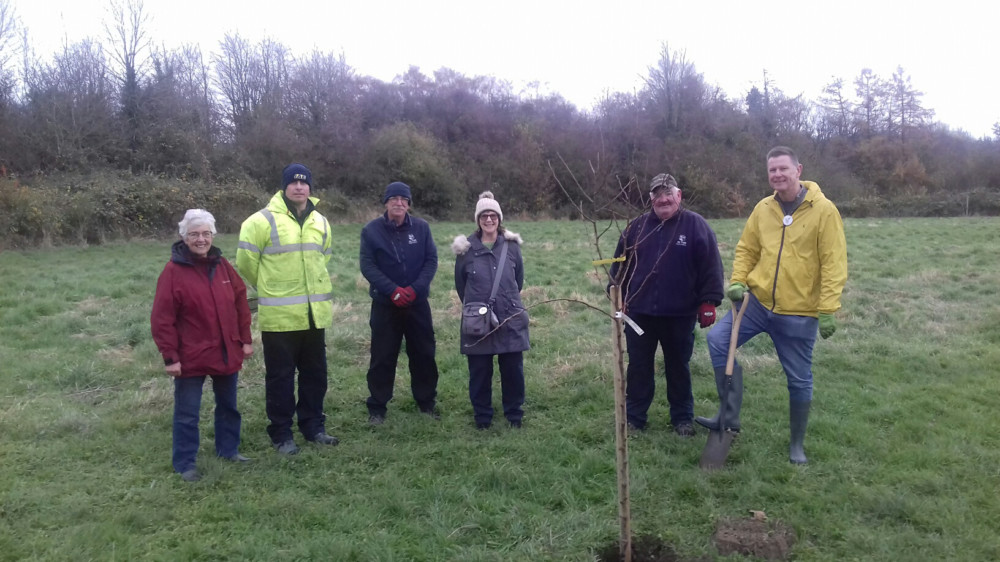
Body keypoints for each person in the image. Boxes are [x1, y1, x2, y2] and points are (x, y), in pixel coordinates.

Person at [696, 146, 848, 464]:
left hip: (799, 312)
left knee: (799, 377)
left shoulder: (824, 211)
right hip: (756, 302)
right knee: (718, 341)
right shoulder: (763, 208)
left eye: (783, 169)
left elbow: (834, 263)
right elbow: (747, 248)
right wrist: (738, 281)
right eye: (772, 171)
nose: (777, 175)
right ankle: (729, 415)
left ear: (798, 169)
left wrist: (828, 307)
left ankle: (796, 445)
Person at [609, 173, 724, 436]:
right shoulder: (635, 228)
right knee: (638, 366)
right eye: (657, 194)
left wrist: (709, 301)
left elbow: (711, 266)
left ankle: (682, 418)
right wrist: (617, 294)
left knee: (678, 366)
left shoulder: (696, 226)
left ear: (678, 195)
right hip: (639, 313)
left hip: (680, 314)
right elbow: (619, 264)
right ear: (650, 199)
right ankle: (635, 418)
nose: (663, 199)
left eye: (668, 193)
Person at [236, 163, 339, 455]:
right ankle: (281, 434)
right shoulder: (260, 221)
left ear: (310, 188)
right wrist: (272, 288)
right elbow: (246, 262)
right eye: (293, 182)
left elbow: (324, 257)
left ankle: (313, 427)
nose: (299, 187)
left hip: (313, 315)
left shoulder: (320, 221)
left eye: (304, 182)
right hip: (280, 319)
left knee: (315, 375)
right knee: (280, 378)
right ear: (283, 187)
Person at [151, 209, 254, 482]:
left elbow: (241, 303)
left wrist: (245, 340)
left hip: (226, 351)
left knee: (229, 406)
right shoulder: (172, 272)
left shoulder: (223, 267)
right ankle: (185, 463)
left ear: (213, 236)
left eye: (206, 234)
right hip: (190, 357)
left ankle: (228, 450)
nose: (201, 239)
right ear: (184, 237)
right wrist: (170, 357)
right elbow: (162, 318)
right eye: (195, 234)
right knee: (187, 413)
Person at [360, 181, 441, 425]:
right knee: (382, 356)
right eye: (394, 198)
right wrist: (392, 290)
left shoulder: (422, 228)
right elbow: (368, 265)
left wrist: (415, 290)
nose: (399, 203)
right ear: (386, 202)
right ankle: (377, 407)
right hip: (386, 306)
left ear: (409, 204)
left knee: (424, 354)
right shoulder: (371, 230)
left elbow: (431, 260)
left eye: (404, 199)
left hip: (417, 305)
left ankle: (426, 403)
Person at [452, 192, 530, 430]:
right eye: (484, 215)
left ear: (499, 218)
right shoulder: (465, 249)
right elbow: (460, 286)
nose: (488, 220)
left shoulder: (511, 247)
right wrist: (477, 308)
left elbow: (519, 280)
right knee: (479, 372)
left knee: (513, 371)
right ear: (477, 219)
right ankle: (482, 417)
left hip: (510, 317)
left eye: (493, 215)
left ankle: (514, 414)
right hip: (478, 321)